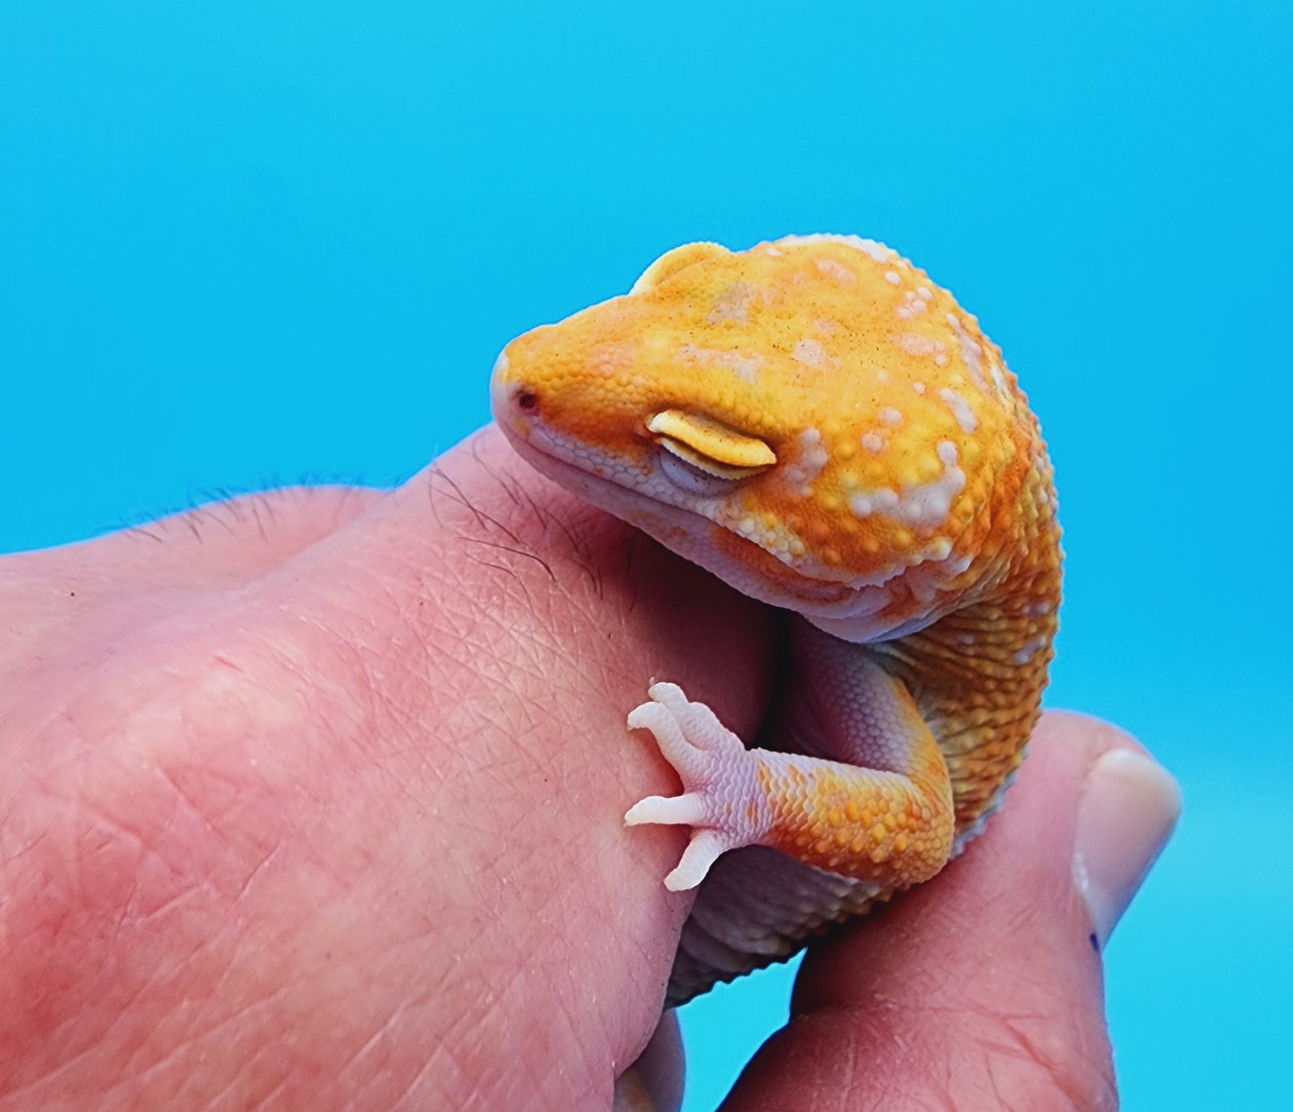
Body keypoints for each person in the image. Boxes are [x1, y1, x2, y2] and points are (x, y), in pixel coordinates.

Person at [0, 428, 1180, 1110]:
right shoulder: (836, 614)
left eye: (703, 449)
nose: (527, 373)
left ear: (894, 577)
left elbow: (915, 824)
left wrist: (749, 789)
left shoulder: (877, 680)